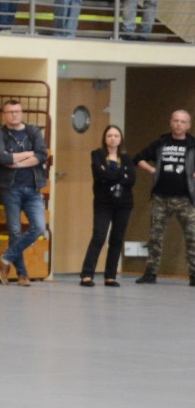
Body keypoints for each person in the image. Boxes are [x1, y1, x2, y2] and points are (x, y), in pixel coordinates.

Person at [0, 100, 48, 287]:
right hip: (10, 188)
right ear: (4, 114)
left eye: (17, 111)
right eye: (10, 111)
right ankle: (22, 274)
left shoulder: (33, 131)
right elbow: (2, 157)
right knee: (14, 231)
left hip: (32, 188)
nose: (14, 114)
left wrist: (18, 162)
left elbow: (42, 155)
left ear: (22, 113)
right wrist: (27, 154)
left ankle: (4, 259)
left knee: (38, 227)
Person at [133, 109, 195, 285]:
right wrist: (152, 170)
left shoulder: (192, 144)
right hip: (161, 197)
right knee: (155, 237)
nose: (179, 124)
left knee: (192, 237)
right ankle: (150, 273)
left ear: (188, 125)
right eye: (176, 120)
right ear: (170, 122)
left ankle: (194, 274)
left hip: (185, 199)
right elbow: (138, 158)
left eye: (183, 121)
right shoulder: (161, 143)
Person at [81, 125, 132, 287]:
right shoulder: (97, 155)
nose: (113, 138)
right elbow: (100, 174)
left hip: (123, 203)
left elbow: (131, 180)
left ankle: (110, 276)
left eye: (116, 135)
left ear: (120, 139)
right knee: (99, 236)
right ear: (104, 138)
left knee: (116, 239)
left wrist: (111, 175)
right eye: (109, 135)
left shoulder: (127, 158)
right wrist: (120, 174)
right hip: (104, 202)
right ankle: (87, 274)